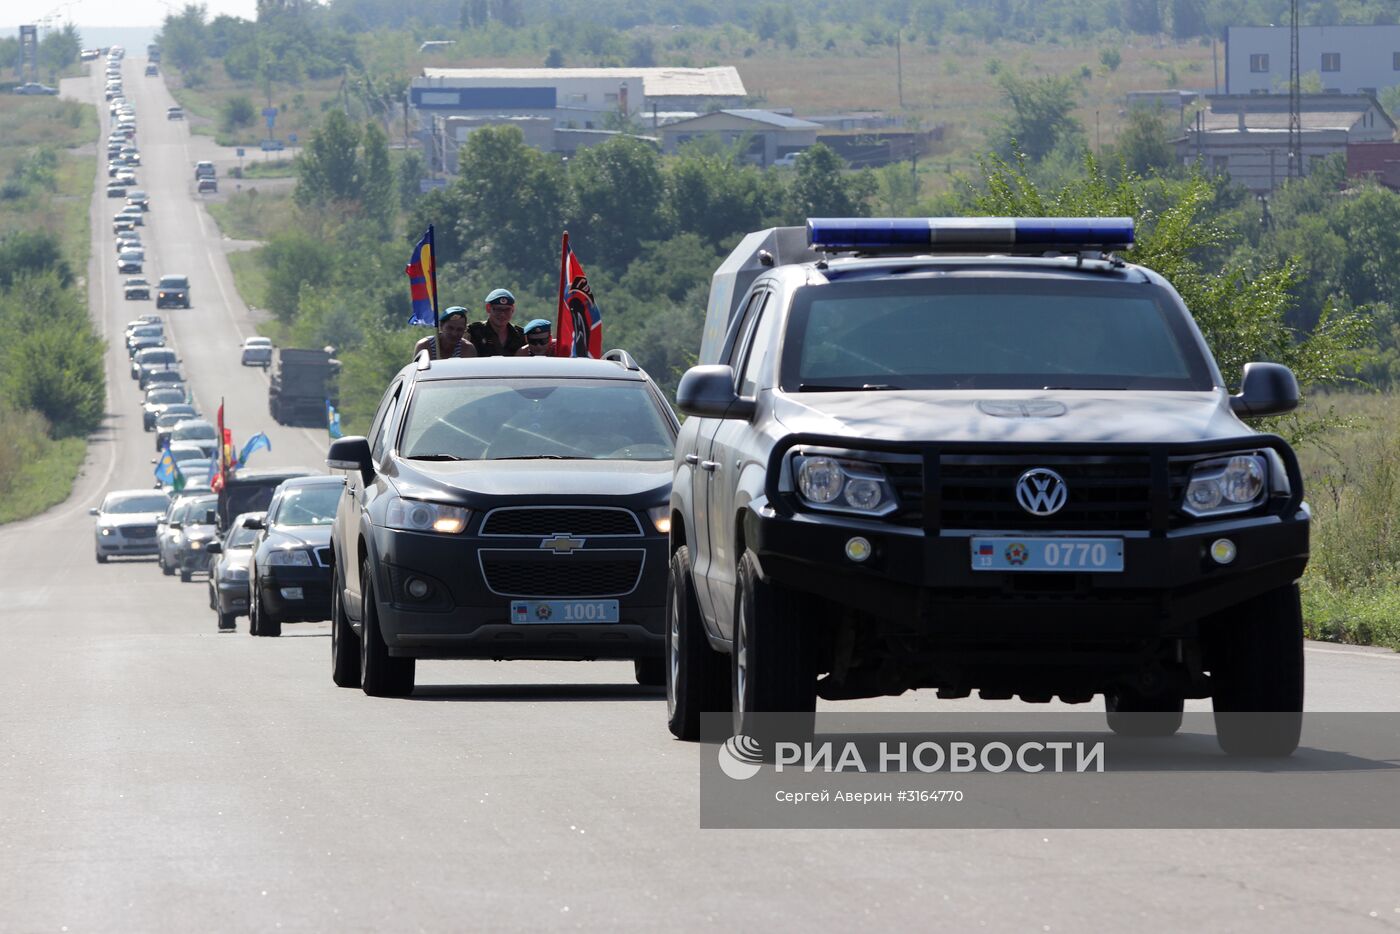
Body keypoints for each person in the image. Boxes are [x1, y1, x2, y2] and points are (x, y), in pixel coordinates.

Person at [467, 288, 525, 357]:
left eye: (507, 310)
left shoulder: (521, 335)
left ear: (513, 309)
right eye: (498, 309)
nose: (502, 314)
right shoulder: (473, 332)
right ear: (488, 308)